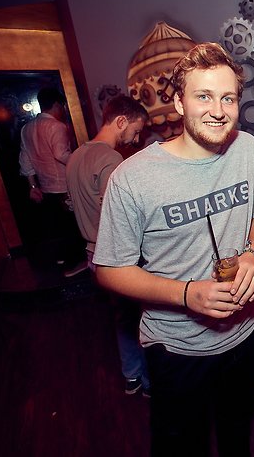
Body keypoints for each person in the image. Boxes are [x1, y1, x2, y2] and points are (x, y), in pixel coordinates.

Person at [93, 42, 254, 457]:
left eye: (228, 98)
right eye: (204, 96)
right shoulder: (133, 178)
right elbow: (110, 270)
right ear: (179, 102)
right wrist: (186, 294)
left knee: (237, 438)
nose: (218, 110)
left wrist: (253, 254)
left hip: (244, 336)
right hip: (177, 346)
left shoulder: (246, 148)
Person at [65, 94, 151, 396]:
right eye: (136, 131)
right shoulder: (111, 160)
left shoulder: (76, 156)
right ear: (121, 121)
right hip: (116, 256)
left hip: (92, 253)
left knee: (123, 319)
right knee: (143, 320)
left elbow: (73, 204)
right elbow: (117, 215)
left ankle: (131, 374)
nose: (136, 139)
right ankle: (149, 382)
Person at [19, 87, 87, 277]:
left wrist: (33, 186)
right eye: (62, 105)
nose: (63, 109)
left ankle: (63, 258)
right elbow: (61, 154)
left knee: (58, 225)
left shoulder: (27, 128)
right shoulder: (56, 126)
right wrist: (84, 162)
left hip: (45, 186)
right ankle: (75, 264)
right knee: (73, 225)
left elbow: (25, 160)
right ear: (57, 104)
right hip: (63, 185)